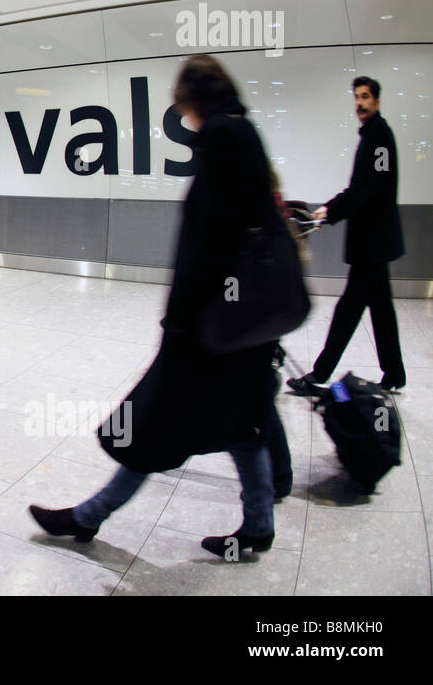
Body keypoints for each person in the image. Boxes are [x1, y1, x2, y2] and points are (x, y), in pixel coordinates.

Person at [29, 55, 286, 560]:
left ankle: (87, 518)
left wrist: (182, 320)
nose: (183, 119)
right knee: (241, 421)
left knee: (157, 424)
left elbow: (210, 243)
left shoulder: (222, 138)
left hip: (213, 322)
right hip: (244, 316)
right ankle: (258, 523)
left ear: (194, 99)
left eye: (182, 106)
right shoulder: (243, 131)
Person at [288, 76, 406, 394]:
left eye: (366, 97)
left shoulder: (379, 136)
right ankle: (394, 373)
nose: (360, 103)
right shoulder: (373, 135)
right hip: (375, 243)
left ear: (377, 102)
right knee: (381, 310)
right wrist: (333, 208)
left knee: (348, 309)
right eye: (356, 97)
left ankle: (321, 374)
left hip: (373, 243)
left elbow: (368, 189)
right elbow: (366, 188)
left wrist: (332, 209)